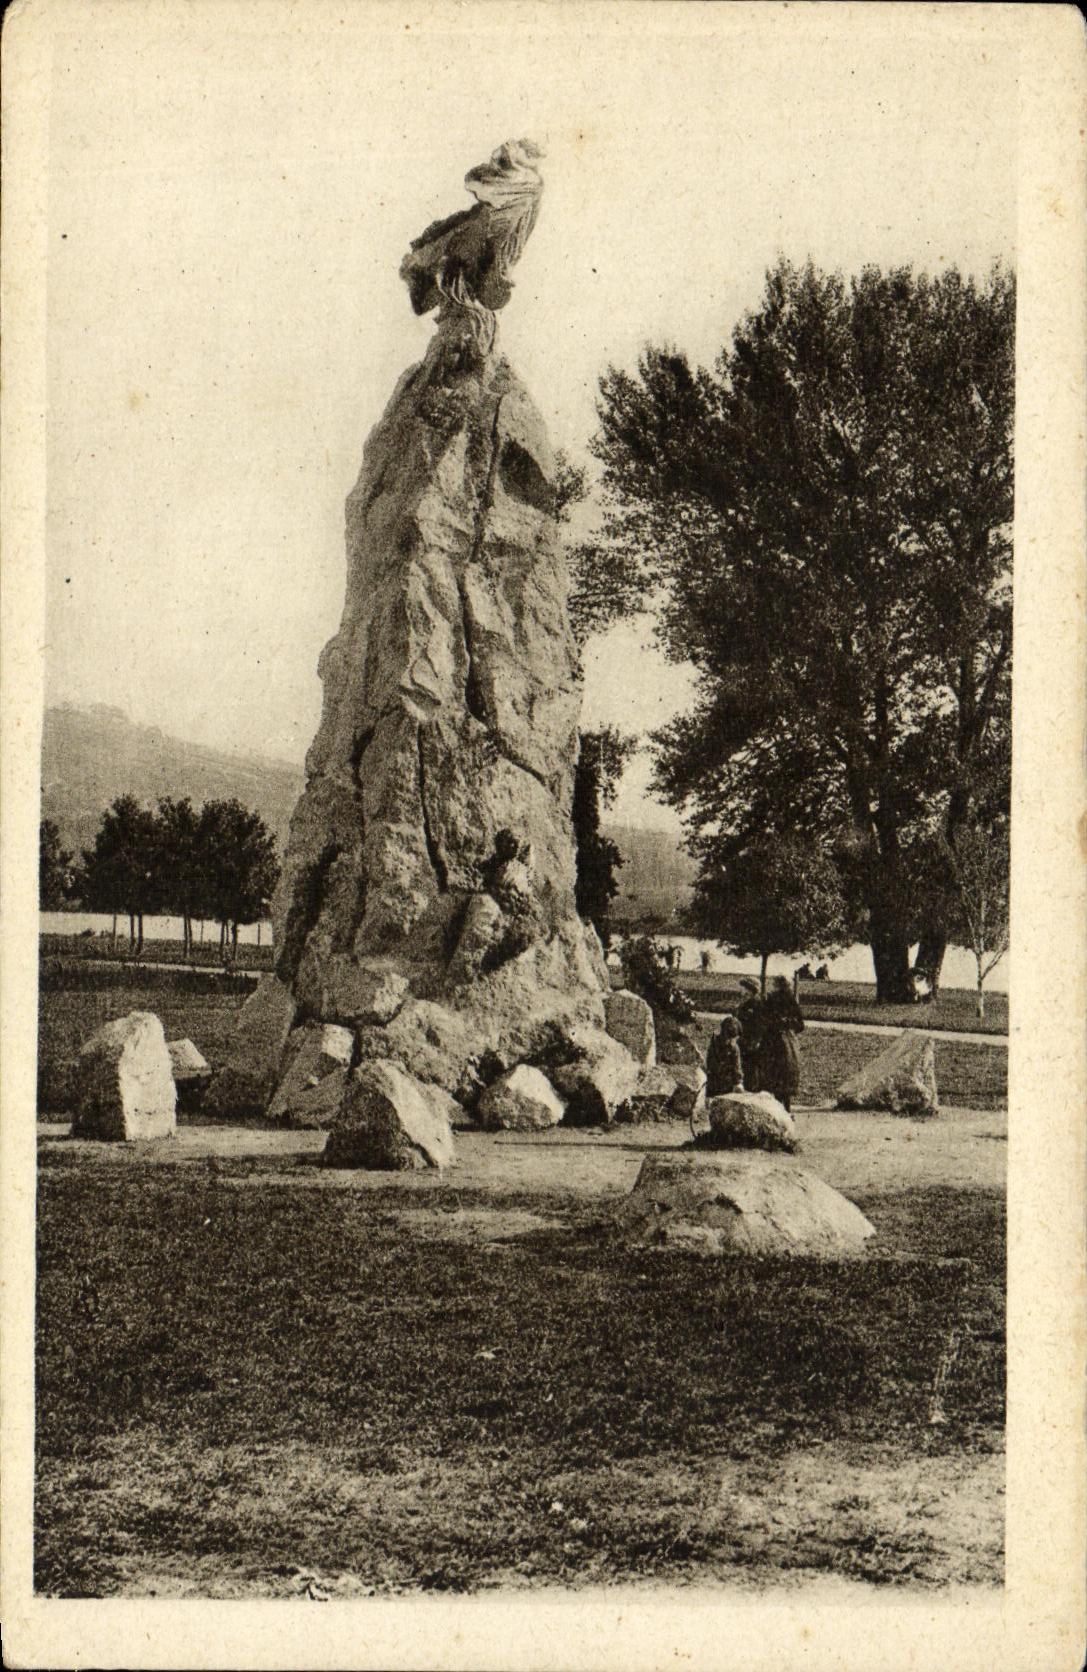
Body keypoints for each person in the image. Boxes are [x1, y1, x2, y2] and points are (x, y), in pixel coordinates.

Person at [760, 975, 805, 1112]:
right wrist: (789, 1025)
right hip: (787, 1043)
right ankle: (785, 1109)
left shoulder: (771, 999)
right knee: (785, 1076)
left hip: (775, 1043)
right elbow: (800, 1025)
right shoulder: (791, 1000)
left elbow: (764, 1020)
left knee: (775, 1077)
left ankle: (777, 1109)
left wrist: (781, 1023)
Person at [735, 977, 766, 1092]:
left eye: (744, 988)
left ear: (751, 990)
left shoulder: (757, 1005)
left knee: (752, 1072)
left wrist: (756, 1041)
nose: (741, 990)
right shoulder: (743, 1005)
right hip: (743, 1042)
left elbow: (761, 1025)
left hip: (752, 1044)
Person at [705, 1013, 744, 1097]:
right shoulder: (715, 1044)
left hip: (726, 1085)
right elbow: (710, 1064)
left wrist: (738, 1082)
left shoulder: (733, 1048)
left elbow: (737, 1067)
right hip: (714, 1083)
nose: (729, 1041)